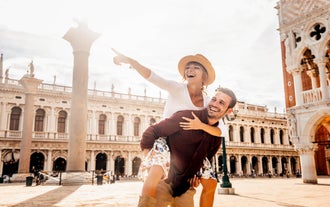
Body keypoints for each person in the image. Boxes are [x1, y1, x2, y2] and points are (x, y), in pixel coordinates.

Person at [112, 49, 223, 207]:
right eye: (188, 67)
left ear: (204, 75)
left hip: (189, 151)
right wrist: (132, 62)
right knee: (153, 180)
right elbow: (153, 76)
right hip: (166, 141)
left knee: (209, 184)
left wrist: (198, 167)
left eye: (196, 67)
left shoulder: (208, 102)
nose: (190, 70)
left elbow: (218, 131)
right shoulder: (177, 88)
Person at [141, 87, 237, 206]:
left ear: (228, 111)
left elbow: (205, 160)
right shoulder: (186, 117)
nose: (215, 104)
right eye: (214, 99)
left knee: (212, 183)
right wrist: (149, 158)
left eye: (221, 102)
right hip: (163, 181)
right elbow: (151, 132)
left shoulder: (216, 137)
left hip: (184, 186)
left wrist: (195, 176)